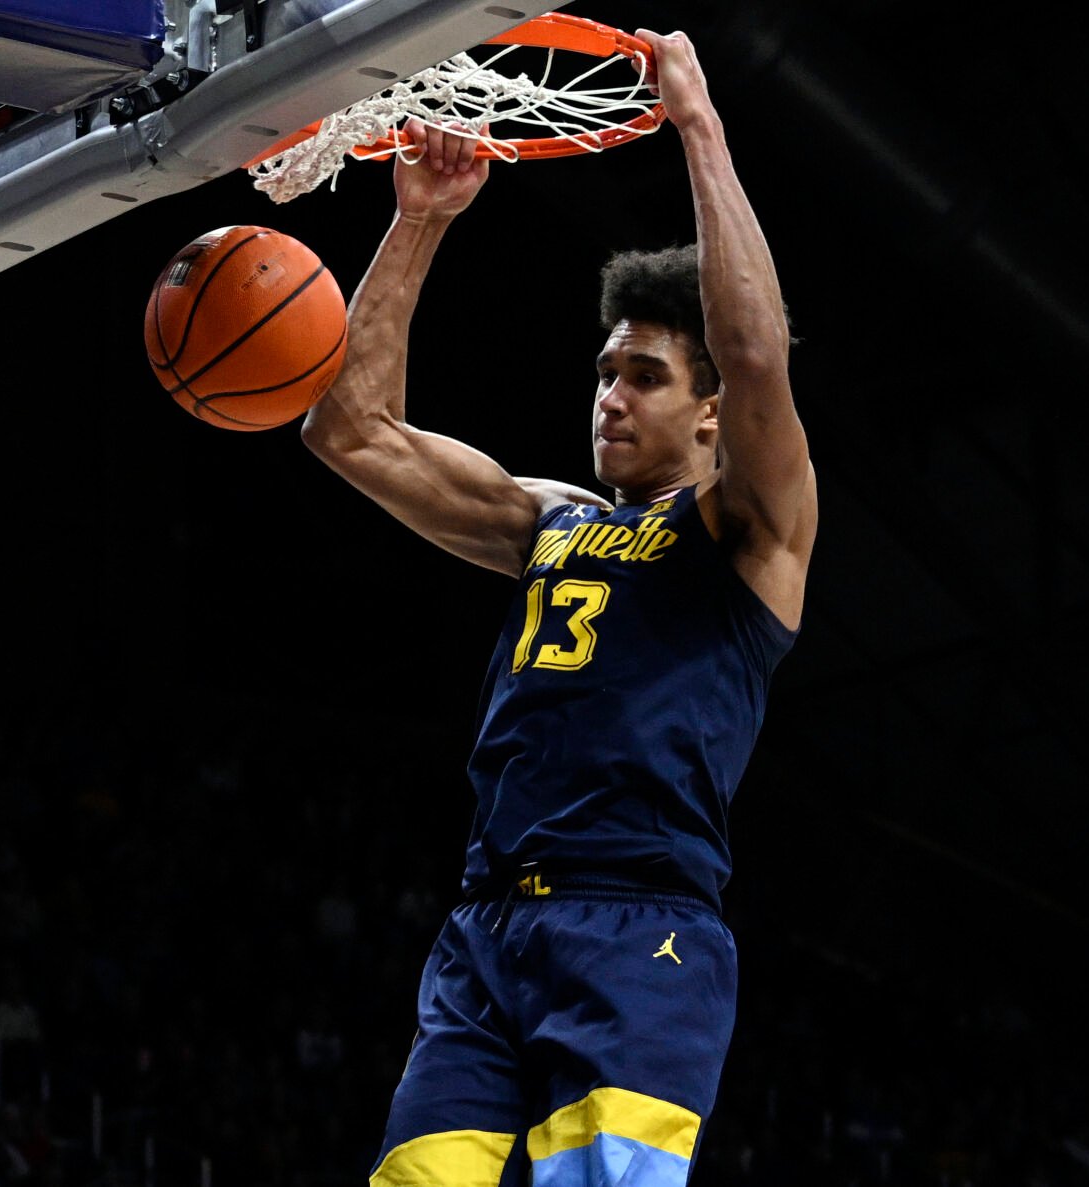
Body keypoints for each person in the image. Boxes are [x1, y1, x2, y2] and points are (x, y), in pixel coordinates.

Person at [299, 25, 816, 1186]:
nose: (610, 396)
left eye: (644, 376)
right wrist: (420, 217)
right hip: (486, 931)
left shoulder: (749, 528)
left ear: (710, 413)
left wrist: (699, 129)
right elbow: (350, 431)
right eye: (602, 373)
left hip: (641, 931)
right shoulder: (550, 520)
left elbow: (757, 352)